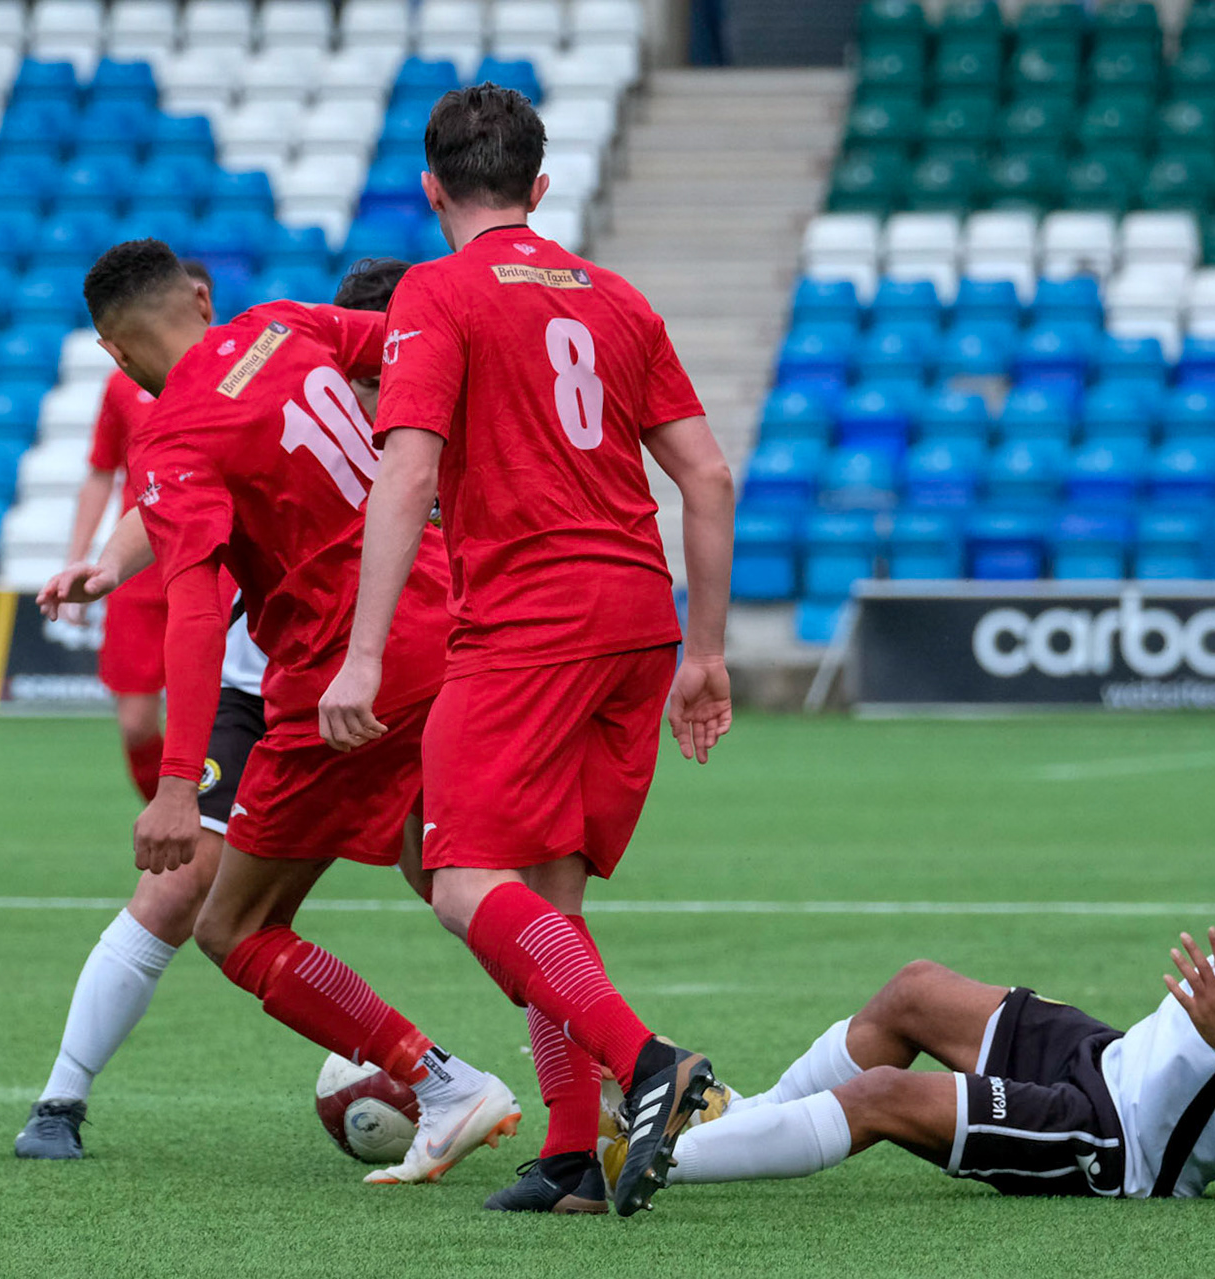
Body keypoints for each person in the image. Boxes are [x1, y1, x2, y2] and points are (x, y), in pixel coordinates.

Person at [318, 84, 738, 1218]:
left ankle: (650, 1063)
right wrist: (707, 650)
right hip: (641, 621)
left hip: (528, 624)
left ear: (431, 188)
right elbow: (707, 475)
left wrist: (360, 657)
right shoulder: (615, 299)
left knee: (462, 882)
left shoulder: (435, 292)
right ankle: (566, 1153)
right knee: (547, 895)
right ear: (540, 188)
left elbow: (405, 471)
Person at [40, 243, 519, 1185]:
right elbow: (194, 494)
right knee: (455, 886)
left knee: (252, 921)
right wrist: (111, 560)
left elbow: (192, 593)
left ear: (112, 348)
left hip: (337, 673)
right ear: (201, 297)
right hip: (370, 654)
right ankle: (639, 1073)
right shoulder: (283, 327)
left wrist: (175, 787)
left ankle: (458, 1080)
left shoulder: (182, 424)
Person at [662, 742, 1215, 1201]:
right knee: (916, 989)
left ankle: (654, 1160)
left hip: (1118, 1142)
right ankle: (737, 1115)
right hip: (1110, 1060)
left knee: (881, 1097)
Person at [64, 260, 214, 802]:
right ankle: (172, 822)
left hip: (210, 564)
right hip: (139, 570)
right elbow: (100, 476)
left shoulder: (232, 376)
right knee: (135, 724)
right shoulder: (122, 388)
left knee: (214, 719)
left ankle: (210, 831)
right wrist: (78, 558)